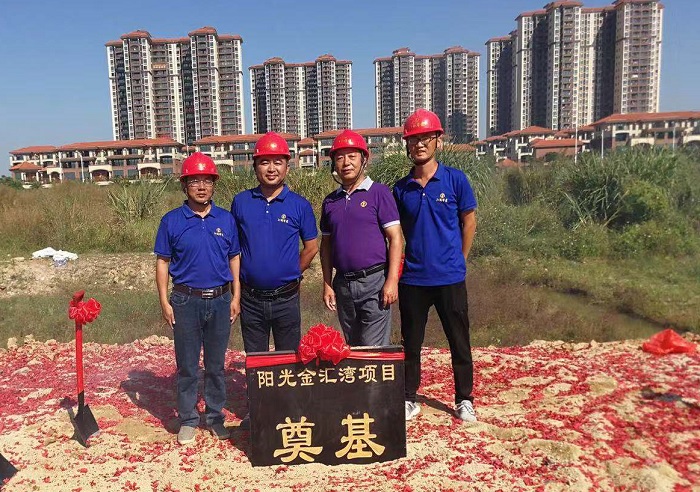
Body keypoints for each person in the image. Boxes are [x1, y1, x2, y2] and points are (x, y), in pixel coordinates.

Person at [393, 109, 478, 423]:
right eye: (413, 139)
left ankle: (464, 399)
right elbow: (394, 233)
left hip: (449, 277)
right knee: (411, 343)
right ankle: (408, 397)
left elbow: (469, 222)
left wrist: (460, 259)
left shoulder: (455, 180)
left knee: (459, 341)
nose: (419, 144)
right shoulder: (401, 188)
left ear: (437, 141)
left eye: (425, 138)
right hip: (413, 278)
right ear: (407, 144)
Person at [154, 152, 241, 445]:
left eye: (207, 181)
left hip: (220, 299)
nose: (201, 187)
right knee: (188, 366)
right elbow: (163, 262)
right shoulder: (171, 221)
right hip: (185, 300)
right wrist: (164, 301)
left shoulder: (226, 219)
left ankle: (215, 417)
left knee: (216, 365)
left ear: (214, 185)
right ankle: (189, 419)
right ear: (184, 185)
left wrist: (236, 295)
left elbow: (234, 258)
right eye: (194, 181)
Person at [231, 132, 318, 354]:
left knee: (287, 360)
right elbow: (234, 251)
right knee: (256, 360)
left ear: (287, 167)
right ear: (255, 167)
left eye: (278, 162)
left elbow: (311, 248)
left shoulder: (300, 205)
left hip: (286, 299)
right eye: (264, 162)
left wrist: (291, 272)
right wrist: (237, 293)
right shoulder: (241, 202)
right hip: (251, 299)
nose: (271, 169)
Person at [320, 130, 402, 346]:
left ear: (364, 159)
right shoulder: (330, 201)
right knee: (353, 347)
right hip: (343, 284)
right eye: (340, 157)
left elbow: (395, 238)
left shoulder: (379, 193)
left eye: (352, 156)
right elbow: (326, 246)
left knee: (372, 349)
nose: (346, 163)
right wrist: (327, 284)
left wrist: (392, 280)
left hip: (374, 282)